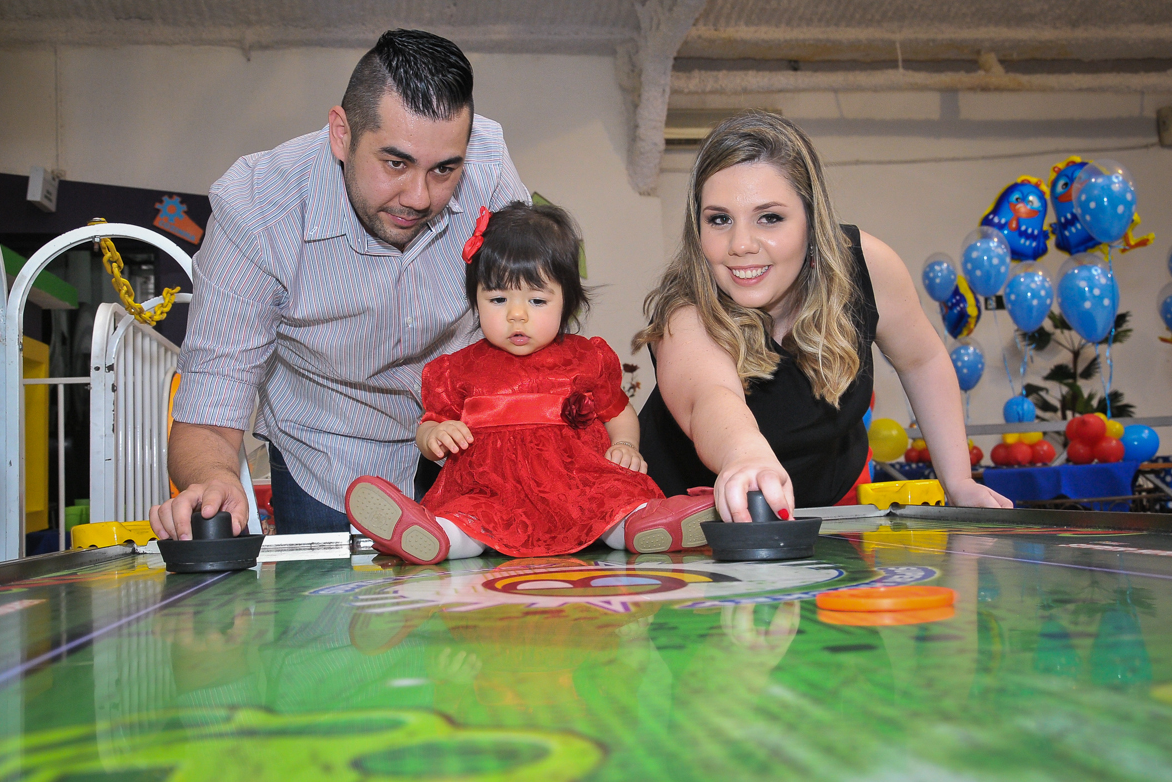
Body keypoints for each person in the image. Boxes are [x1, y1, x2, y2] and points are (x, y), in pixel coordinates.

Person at [149, 29, 531, 541]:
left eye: (444, 170)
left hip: (470, 440)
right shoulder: (258, 206)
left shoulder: (488, 170)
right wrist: (214, 480)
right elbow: (211, 407)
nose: (418, 197)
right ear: (341, 133)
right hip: (328, 460)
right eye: (395, 163)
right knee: (327, 619)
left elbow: (531, 312)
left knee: (475, 615)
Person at [634, 111, 1011, 523]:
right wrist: (745, 455)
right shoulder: (685, 310)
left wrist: (958, 482)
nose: (740, 244)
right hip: (688, 528)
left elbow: (922, 361)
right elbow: (711, 398)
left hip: (827, 515)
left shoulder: (868, 265)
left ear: (812, 220)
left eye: (770, 217)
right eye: (719, 219)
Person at [344, 202, 719, 564]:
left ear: (567, 303)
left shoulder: (584, 358)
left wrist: (624, 444)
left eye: (537, 301)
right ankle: (435, 537)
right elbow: (429, 426)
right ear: (475, 300)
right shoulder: (457, 369)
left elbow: (618, 410)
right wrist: (435, 437)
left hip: (576, 481)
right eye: (498, 298)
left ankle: (641, 525)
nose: (516, 315)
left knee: (610, 503)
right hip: (491, 489)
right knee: (468, 519)